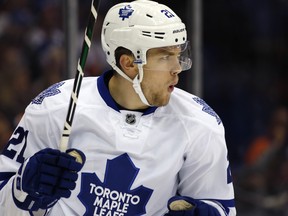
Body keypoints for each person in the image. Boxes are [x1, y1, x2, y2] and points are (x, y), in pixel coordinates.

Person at [0, 0, 236, 215]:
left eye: (178, 55)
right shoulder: (55, 107)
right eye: (165, 57)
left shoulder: (200, 124)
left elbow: (221, 205)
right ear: (129, 63)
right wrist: (24, 188)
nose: (178, 68)